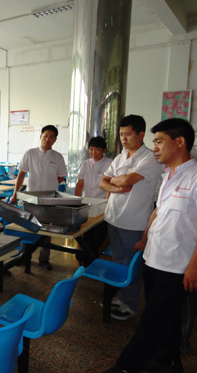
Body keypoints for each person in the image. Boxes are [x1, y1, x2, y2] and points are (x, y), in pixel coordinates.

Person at [104, 118, 197, 373]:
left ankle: (124, 368)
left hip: (177, 266)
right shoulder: (168, 174)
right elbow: (159, 210)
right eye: (154, 142)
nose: (154, 147)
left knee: (151, 320)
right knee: (168, 318)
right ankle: (169, 361)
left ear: (179, 142)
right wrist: (145, 238)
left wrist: (193, 267)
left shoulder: (195, 176)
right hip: (154, 259)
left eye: (159, 141)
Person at [99, 115, 163, 321]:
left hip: (133, 221)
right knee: (119, 261)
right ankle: (122, 296)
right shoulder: (121, 157)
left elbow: (129, 180)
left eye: (127, 134)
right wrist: (119, 186)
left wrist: (117, 182)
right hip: (114, 217)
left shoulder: (149, 157)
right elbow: (103, 182)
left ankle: (130, 305)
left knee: (132, 263)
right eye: (121, 134)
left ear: (141, 134)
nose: (123, 138)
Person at [9, 125, 67, 270]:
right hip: (31, 198)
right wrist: (16, 193)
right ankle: (25, 256)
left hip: (49, 200)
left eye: (51, 136)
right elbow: (21, 175)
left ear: (55, 139)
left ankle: (44, 258)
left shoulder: (57, 157)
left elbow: (61, 177)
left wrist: (51, 185)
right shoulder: (30, 153)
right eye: (45, 135)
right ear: (40, 136)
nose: (48, 139)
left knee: (47, 229)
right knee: (28, 226)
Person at [74, 136, 113, 259]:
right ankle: (89, 260)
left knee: (98, 235)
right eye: (91, 149)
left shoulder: (110, 163)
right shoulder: (86, 163)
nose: (93, 153)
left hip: (102, 204)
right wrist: (75, 201)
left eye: (97, 150)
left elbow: (110, 185)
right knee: (87, 233)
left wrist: (107, 203)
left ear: (104, 150)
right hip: (87, 203)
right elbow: (80, 184)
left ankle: (87, 257)